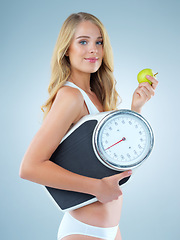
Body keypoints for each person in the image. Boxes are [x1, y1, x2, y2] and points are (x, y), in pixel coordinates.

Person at [19, 12, 158, 240]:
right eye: (83, 41)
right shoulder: (71, 96)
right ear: (66, 49)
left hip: (111, 231)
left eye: (98, 42)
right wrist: (97, 188)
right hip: (83, 232)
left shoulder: (97, 95)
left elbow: (114, 155)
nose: (93, 49)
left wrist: (136, 108)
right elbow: (30, 167)